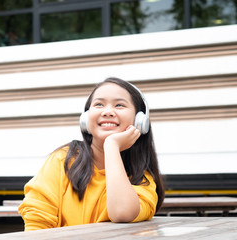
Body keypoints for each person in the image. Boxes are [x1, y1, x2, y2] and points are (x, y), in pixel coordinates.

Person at [18, 77, 165, 231]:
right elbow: (37, 223)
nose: (107, 112)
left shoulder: (142, 179)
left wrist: (112, 145)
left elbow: (122, 213)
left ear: (139, 120)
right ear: (86, 118)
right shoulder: (63, 160)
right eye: (99, 104)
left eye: (119, 105)